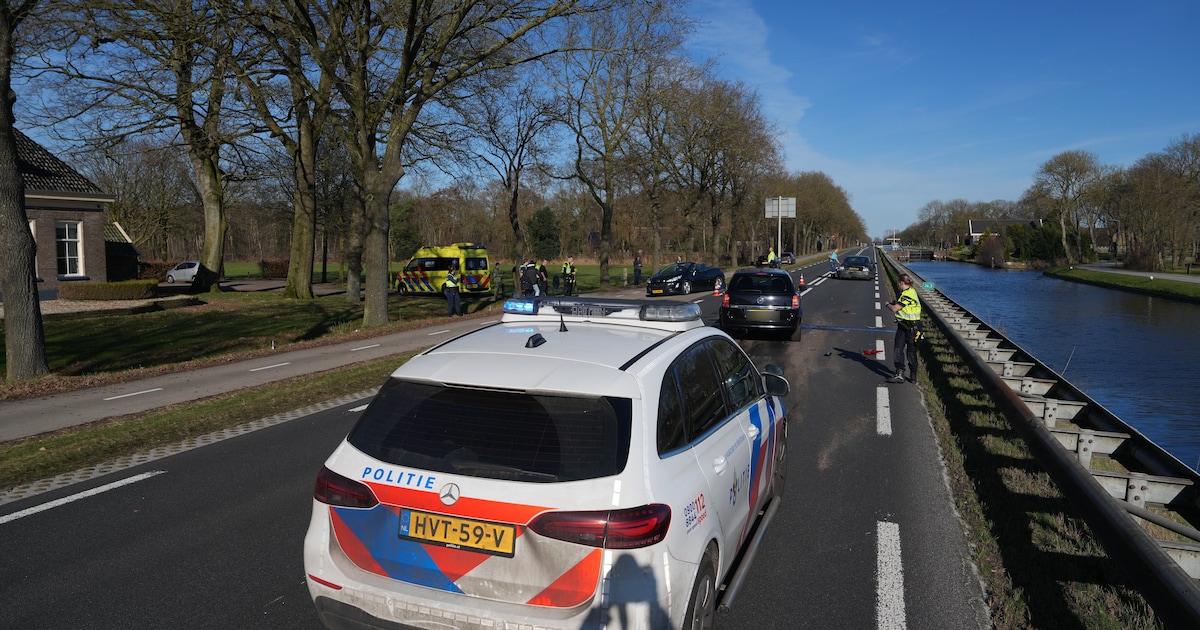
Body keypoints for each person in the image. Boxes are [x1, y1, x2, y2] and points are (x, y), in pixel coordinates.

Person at [886, 274, 922, 383]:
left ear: (902, 282)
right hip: (903, 325)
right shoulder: (908, 292)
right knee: (898, 349)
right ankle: (899, 373)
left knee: (911, 352)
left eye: (898, 283)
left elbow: (895, 309)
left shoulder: (908, 294)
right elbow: (904, 308)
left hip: (913, 327)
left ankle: (913, 374)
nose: (898, 285)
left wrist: (888, 304)